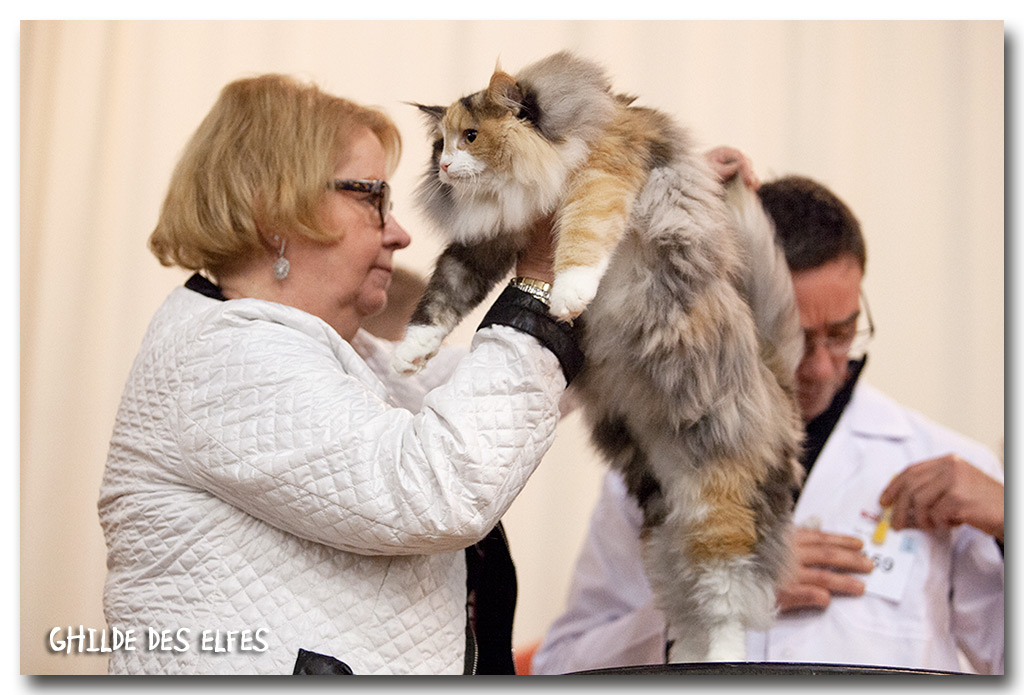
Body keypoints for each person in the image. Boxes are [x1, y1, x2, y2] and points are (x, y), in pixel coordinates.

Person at [97, 73, 582, 675]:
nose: (401, 233)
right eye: (371, 197)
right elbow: (438, 485)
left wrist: (655, 247)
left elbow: (481, 394)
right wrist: (538, 279)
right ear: (274, 209)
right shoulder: (220, 356)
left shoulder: (328, 351)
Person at [531, 157, 1004, 675]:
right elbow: (562, 666)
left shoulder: (941, 464)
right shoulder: (649, 465)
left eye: (842, 333)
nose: (823, 369)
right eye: (796, 340)